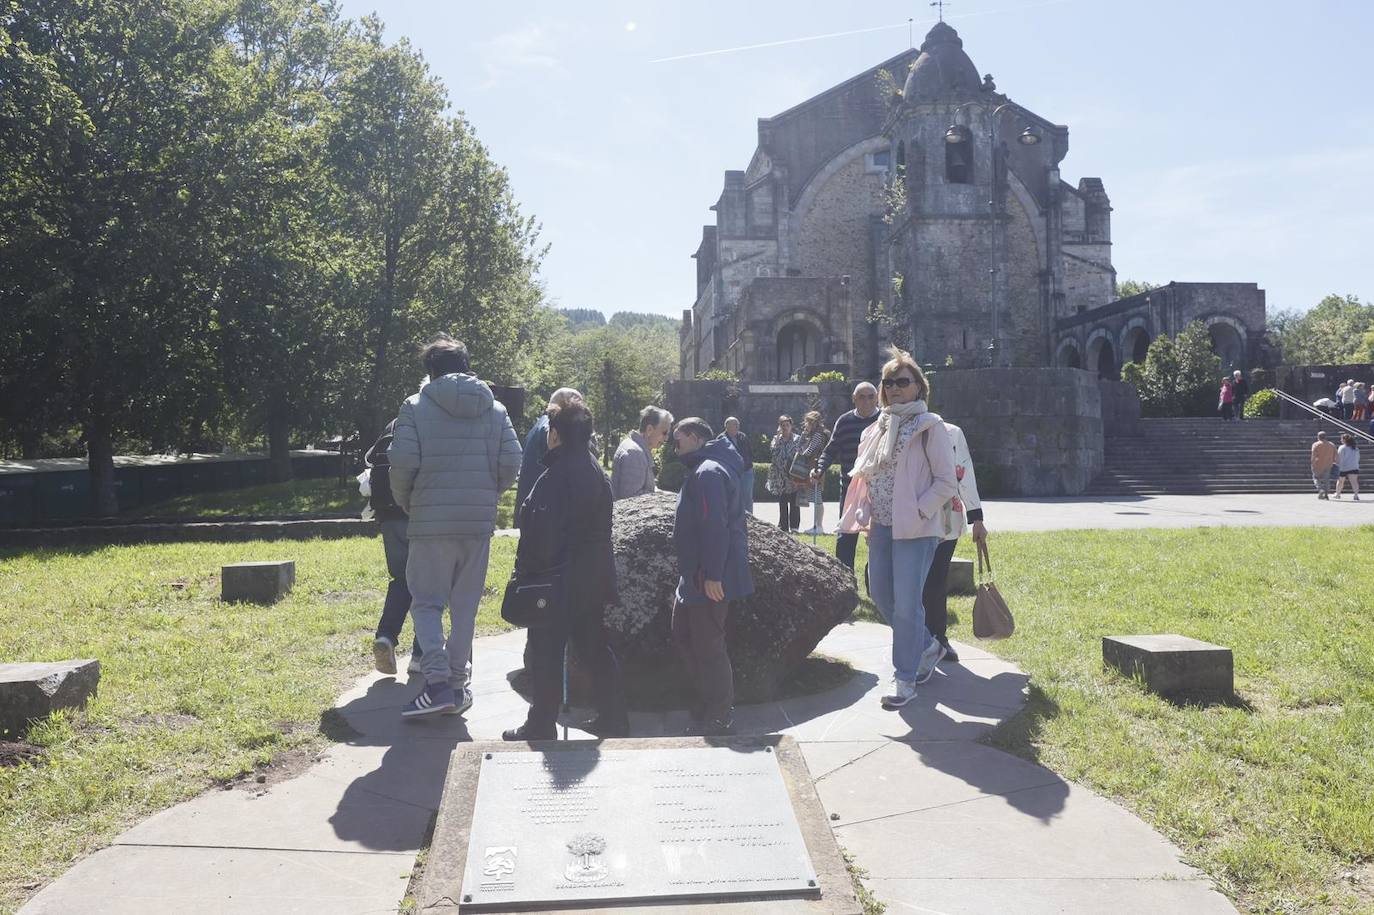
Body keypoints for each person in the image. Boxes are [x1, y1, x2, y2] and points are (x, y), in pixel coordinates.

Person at [390, 335, 523, 718]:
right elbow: (511, 461)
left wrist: (406, 499)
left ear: (431, 371)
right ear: (466, 366)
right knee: (465, 608)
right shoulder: (495, 410)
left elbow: (401, 461)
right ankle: (456, 684)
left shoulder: (415, 406)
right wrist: (487, 492)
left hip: (430, 518)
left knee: (427, 602)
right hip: (477, 522)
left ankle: (435, 685)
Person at [839, 348, 957, 710]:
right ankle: (927, 645)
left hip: (916, 529)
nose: (893, 389)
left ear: (919, 387)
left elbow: (946, 481)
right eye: (888, 382)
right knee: (881, 595)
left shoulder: (930, 427)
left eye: (902, 382)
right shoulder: (876, 429)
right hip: (881, 524)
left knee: (906, 604)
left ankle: (904, 678)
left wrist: (921, 510)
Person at [503, 399, 628, 740]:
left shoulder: (554, 477)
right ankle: (614, 717)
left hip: (556, 583)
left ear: (555, 435)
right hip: (593, 580)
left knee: (546, 653)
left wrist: (525, 574)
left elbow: (539, 536)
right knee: (595, 650)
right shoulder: (595, 474)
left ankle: (542, 724)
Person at [671, 417, 753, 736]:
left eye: (677, 439)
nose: (674, 446)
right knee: (685, 634)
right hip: (695, 576)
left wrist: (714, 575)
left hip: (708, 577)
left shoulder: (707, 473)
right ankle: (711, 703)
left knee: (708, 645)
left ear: (693, 438)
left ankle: (719, 714)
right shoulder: (705, 468)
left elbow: (714, 526)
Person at [921, 421, 988, 666]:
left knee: (936, 579)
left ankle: (937, 637)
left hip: (944, 518)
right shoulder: (892, 428)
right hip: (906, 517)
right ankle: (917, 638)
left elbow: (964, 473)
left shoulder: (950, 432)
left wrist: (976, 518)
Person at [365, 420, 420, 676]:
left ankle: (386, 636)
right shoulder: (426, 420)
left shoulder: (391, 425)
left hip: (388, 515)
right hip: (416, 513)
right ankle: (420, 654)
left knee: (401, 579)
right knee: (427, 583)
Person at [812, 382, 880, 570]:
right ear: (854, 399)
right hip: (850, 489)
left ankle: (874, 582)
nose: (866, 401)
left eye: (870, 396)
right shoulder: (844, 421)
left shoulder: (886, 420)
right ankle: (844, 579)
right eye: (861, 397)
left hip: (879, 489)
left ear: (877, 398)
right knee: (845, 538)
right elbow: (830, 450)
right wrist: (820, 468)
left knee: (878, 539)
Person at [515, 388, 582, 524]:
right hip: (541, 509)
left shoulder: (540, 424)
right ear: (565, 406)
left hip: (530, 506)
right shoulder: (550, 430)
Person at [611, 405, 673, 501]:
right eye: (664, 433)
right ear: (649, 430)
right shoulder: (634, 453)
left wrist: (667, 495)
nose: (666, 438)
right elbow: (630, 499)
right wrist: (661, 499)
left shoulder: (635, 447)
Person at [796, 411, 831, 535]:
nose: (805, 424)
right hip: (814, 467)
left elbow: (808, 452)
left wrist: (800, 448)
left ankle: (818, 526)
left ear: (812, 422)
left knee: (817, 497)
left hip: (815, 467)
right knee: (815, 496)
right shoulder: (815, 434)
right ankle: (816, 525)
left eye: (807, 422)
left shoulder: (817, 435)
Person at [766, 415, 802, 532]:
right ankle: (784, 526)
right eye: (782, 425)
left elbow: (801, 456)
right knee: (782, 502)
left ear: (791, 426)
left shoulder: (797, 439)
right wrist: (777, 437)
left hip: (793, 475)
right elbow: (773, 451)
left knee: (794, 502)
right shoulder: (777, 439)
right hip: (780, 476)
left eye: (787, 425)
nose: (785, 427)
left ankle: (795, 527)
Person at [723, 417, 755, 515]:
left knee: (747, 498)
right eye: (735, 425)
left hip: (746, 471)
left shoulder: (743, 436)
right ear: (727, 426)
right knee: (733, 498)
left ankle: (750, 519)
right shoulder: (721, 439)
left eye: (738, 425)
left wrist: (748, 463)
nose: (737, 427)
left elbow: (749, 452)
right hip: (732, 473)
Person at [1311, 430, 1338, 501]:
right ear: (1325, 437)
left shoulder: (1316, 444)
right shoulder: (1331, 444)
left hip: (1318, 465)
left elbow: (1313, 456)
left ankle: (1320, 489)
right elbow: (1336, 455)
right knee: (1326, 480)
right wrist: (1336, 462)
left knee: (1316, 478)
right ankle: (1326, 494)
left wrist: (1313, 464)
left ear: (1318, 437)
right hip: (1328, 465)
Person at [1334, 433, 1361, 501]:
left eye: (1341, 439)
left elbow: (1339, 457)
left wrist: (1336, 464)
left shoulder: (1342, 447)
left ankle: (1338, 494)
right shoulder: (1355, 448)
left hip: (1343, 467)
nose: (1340, 440)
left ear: (1344, 440)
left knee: (1340, 481)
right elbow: (1358, 457)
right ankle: (1356, 495)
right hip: (1354, 466)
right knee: (1354, 482)